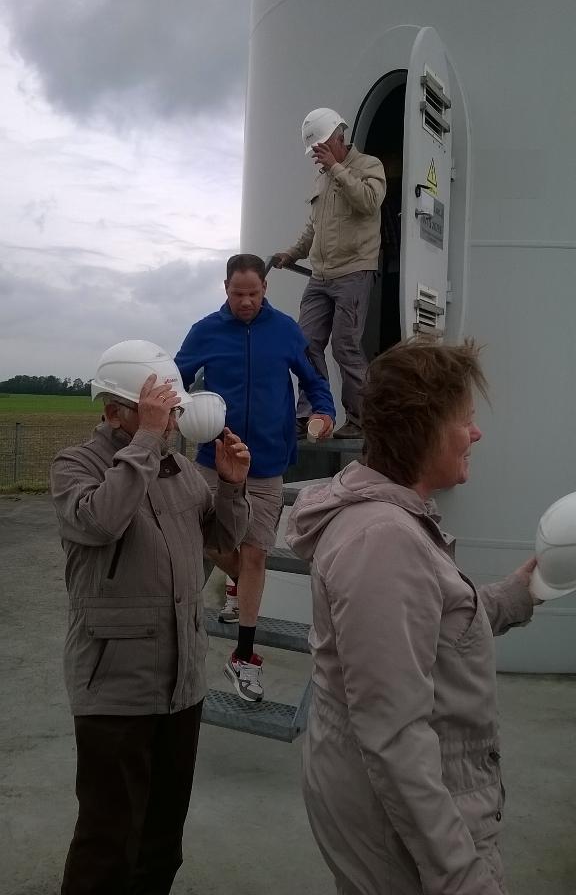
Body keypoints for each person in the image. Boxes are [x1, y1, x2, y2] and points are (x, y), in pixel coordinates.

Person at [286, 339, 541, 895]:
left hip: (389, 809)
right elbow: (394, 735)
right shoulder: (383, 542)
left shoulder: (394, 523)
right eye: (466, 421)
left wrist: (525, 591)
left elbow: (441, 629)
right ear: (424, 428)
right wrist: (461, 876)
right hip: (396, 831)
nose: (476, 434)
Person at [51, 340, 251, 895]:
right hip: (116, 687)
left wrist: (232, 486)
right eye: (159, 406)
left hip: (181, 685)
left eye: (173, 406)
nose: (173, 417)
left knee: (162, 838)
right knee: (108, 840)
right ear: (116, 410)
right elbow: (98, 522)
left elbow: (223, 542)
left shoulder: (181, 471)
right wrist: (143, 443)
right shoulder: (76, 466)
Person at [175, 253, 336, 703]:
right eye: (237, 293)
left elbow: (314, 379)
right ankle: (232, 584)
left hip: (265, 464)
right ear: (225, 288)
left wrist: (323, 411)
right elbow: (176, 381)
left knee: (256, 556)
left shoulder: (285, 329)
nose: (246, 302)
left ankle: (243, 659)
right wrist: (181, 411)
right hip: (215, 458)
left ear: (265, 288)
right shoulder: (204, 331)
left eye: (254, 293)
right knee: (203, 540)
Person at [274, 107, 387, 439]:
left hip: (353, 272)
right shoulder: (323, 176)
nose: (317, 158)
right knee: (304, 343)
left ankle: (362, 420)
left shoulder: (369, 166)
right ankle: (312, 414)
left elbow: (369, 202)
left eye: (320, 149)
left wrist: (337, 168)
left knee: (345, 346)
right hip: (320, 275)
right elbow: (315, 227)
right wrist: (292, 253)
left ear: (340, 138)